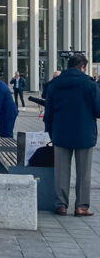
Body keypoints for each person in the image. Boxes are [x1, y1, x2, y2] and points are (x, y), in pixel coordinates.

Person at [44, 54, 100, 216]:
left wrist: (50, 131)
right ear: (82, 66)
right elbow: (98, 110)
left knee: (61, 170)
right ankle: (81, 206)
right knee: (84, 172)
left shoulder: (54, 84)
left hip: (60, 132)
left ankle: (61, 204)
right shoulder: (89, 84)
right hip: (84, 132)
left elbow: (48, 112)